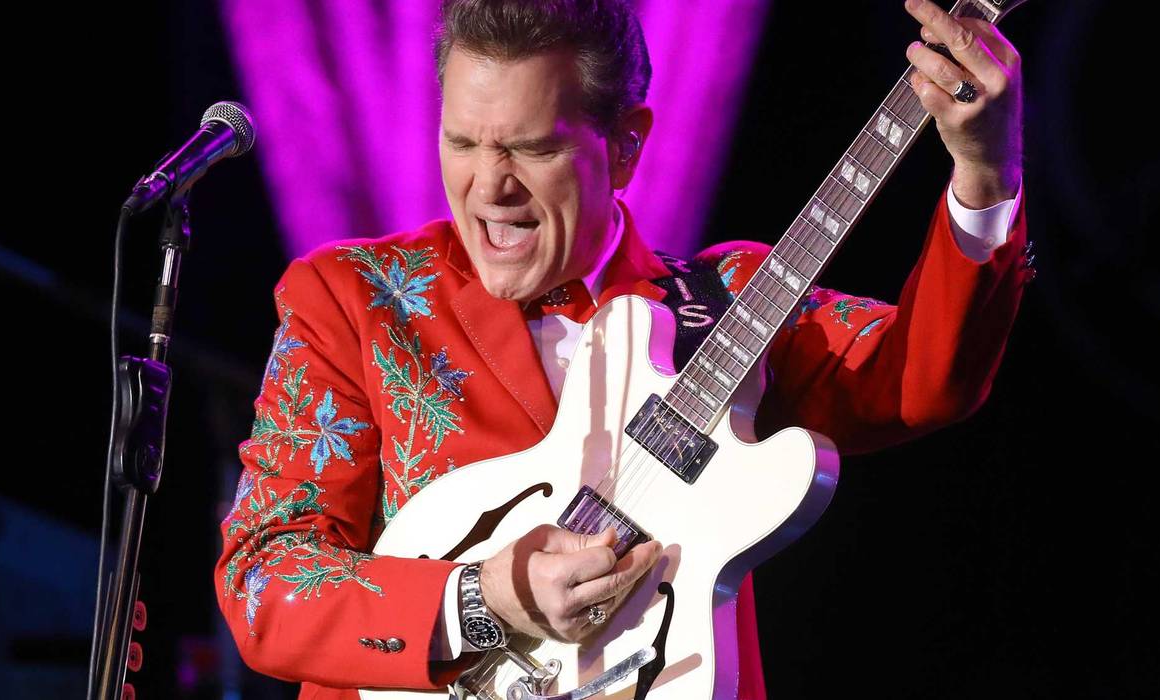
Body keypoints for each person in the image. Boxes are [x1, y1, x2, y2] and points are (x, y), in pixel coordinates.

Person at [214, 0, 1033, 697]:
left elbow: (921, 382)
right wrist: (486, 596)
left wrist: (984, 178)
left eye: (532, 148)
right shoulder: (355, 300)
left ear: (627, 145)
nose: (489, 187)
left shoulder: (733, 303)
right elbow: (263, 580)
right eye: (462, 143)